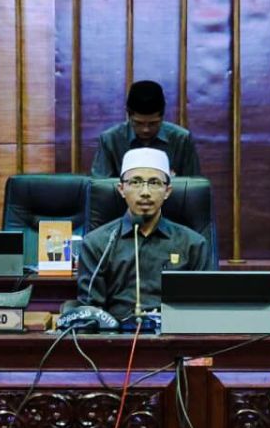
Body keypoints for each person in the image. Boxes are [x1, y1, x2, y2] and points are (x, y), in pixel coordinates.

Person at [78, 147, 212, 322]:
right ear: (121, 189)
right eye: (135, 182)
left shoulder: (193, 244)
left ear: (167, 191)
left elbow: (205, 308)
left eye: (155, 183)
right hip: (115, 335)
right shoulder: (97, 243)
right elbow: (90, 313)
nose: (145, 192)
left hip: (176, 334)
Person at [90, 80, 202, 179]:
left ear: (162, 116)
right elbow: (100, 186)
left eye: (153, 123)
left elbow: (193, 186)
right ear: (128, 115)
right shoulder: (110, 139)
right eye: (138, 123)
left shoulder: (181, 139)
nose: (146, 130)